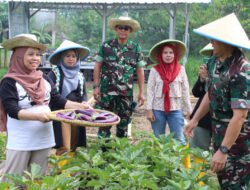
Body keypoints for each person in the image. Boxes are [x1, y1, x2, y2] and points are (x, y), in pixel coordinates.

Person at [0, 34, 90, 180]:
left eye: (38, 54)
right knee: (13, 178)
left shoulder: (43, 78)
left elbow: (59, 100)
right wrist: (39, 116)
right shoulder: (9, 82)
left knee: (38, 178)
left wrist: (81, 106)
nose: (35, 58)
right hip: (21, 140)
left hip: (44, 137)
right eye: (30, 54)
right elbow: (13, 111)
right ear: (18, 56)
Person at [184, 13, 250, 189]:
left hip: (238, 144)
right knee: (223, 182)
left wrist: (223, 150)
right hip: (219, 135)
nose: (211, 42)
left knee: (234, 185)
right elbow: (209, 93)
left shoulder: (241, 71)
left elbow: (240, 116)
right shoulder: (214, 62)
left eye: (215, 39)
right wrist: (195, 119)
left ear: (227, 41)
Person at [93, 16, 145, 139]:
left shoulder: (135, 48)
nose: (123, 30)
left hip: (126, 94)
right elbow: (97, 66)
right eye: (120, 27)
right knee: (104, 123)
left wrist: (142, 92)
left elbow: (140, 70)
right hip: (107, 93)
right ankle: (104, 153)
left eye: (126, 28)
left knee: (123, 125)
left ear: (130, 31)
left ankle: (120, 153)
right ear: (116, 29)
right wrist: (96, 87)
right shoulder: (106, 46)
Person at [47, 40, 90, 155]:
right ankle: (61, 164)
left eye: (73, 56)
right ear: (61, 58)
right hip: (59, 111)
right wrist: (70, 105)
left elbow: (83, 93)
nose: (71, 59)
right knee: (62, 141)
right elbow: (53, 95)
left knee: (74, 138)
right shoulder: (54, 74)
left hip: (76, 112)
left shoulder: (80, 76)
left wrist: (85, 102)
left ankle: (72, 160)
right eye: (67, 56)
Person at [146, 39, 192, 145]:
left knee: (179, 138)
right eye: (165, 53)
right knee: (158, 139)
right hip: (157, 109)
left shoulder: (181, 69)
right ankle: (160, 161)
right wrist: (149, 109)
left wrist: (189, 110)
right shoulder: (154, 70)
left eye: (171, 53)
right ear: (160, 55)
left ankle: (178, 160)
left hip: (175, 109)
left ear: (175, 55)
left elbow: (185, 90)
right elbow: (150, 90)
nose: (168, 55)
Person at [189, 43, 213, 151]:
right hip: (204, 117)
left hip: (224, 120)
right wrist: (202, 80)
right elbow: (196, 93)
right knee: (198, 151)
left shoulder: (235, 72)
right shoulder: (208, 69)